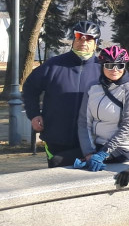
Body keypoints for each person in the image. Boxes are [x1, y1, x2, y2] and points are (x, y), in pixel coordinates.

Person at [23, 19, 102, 167]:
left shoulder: (103, 69)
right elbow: (29, 88)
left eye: (89, 38)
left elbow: (125, 90)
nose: (83, 41)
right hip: (56, 138)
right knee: (57, 181)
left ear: (95, 43)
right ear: (74, 39)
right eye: (79, 36)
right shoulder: (53, 65)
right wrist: (34, 114)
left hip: (89, 141)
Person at [77, 45, 129, 170]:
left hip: (123, 147)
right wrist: (88, 152)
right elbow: (84, 122)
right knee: (60, 160)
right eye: (109, 65)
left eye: (119, 65)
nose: (114, 69)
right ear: (102, 66)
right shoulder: (93, 87)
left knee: (89, 167)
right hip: (98, 144)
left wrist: (103, 153)